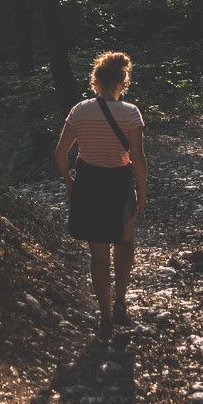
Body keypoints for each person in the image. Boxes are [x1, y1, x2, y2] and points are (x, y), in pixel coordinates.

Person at [54, 51, 147, 339]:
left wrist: (70, 182)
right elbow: (138, 159)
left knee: (98, 255)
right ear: (122, 80)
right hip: (119, 184)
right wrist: (142, 194)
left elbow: (60, 154)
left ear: (96, 80)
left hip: (89, 184)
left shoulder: (79, 110)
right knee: (125, 242)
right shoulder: (131, 113)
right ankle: (120, 301)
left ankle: (105, 317)